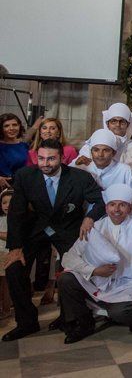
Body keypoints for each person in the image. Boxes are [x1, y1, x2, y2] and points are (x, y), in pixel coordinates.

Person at [3, 139, 104, 341]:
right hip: (37, 229)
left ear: (61, 158)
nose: (45, 163)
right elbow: (16, 212)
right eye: (41, 158)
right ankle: (27, 322)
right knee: (14, 268)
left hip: (68, 229)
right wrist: (15, 246)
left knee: (73, 272)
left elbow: (99, 201)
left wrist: (89, 217)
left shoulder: (79, 177)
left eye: (51, 159)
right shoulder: (25, 176)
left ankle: (74, 319)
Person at [57, 184, 132, 343]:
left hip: (128, 284)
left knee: (123, 314)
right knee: (65, 279)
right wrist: (93, 270)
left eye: (122, 205)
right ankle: (85, 323)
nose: (117, 209)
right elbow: (69, 257)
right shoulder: (94, 228)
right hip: (97, 282)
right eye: (112, 204)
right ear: (106, 207)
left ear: (130, 207)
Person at [76, 103, 132, 174]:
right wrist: (78, 163)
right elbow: (76, 165)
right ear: (107, 124)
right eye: (114, 121)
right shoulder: (93, 143)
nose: (118, 125)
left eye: (122, 121)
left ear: (128, 124)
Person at [79, 130, 132, 194]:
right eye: (96, 150)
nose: (100, 154)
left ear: (114, 153)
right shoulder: (84, 169)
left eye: (105, 150)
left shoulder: (125, 171)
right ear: (91, 152)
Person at [0, 113, 30, 191]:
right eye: (6, 126)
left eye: (15, 125)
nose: (11, 128)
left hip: (22, 188)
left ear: (19, 126)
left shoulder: (25, 146)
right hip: (2, 188)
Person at [0, 190, 13, 320]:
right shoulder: (1, 219)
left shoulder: (15, 219)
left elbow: (10, 236)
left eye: (10, 202)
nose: (7, 205)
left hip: (7, 253)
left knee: (6, 284)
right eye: (4, 202)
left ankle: (6, 309)